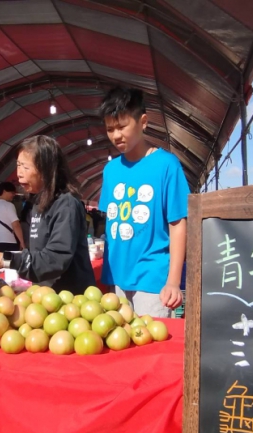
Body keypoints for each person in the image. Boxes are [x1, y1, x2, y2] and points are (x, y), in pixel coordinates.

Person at [97, 87, 188, 318]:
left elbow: (178, 224)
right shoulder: (110, 170)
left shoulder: (167, 165)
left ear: (143, 122)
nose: (116, 135)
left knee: (151, 346)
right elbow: (110, 223)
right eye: (110, 129)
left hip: (153, 280)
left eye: (122, 126)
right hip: (116, 279)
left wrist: (173, 281)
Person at [0, 135, 95, 294]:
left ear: (46, 169)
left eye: (25, 167)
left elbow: (54, 260)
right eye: (18, 165)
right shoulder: (37, 203)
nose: (19, 173)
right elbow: (37, 254)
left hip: (70, 298)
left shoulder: (66, 205)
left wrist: (3, 259)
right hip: (44, 297)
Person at [0, 181, 25, 252]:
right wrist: (22, 242)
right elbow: (16, 225)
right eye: (12, 193)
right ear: (4, 191)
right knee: (10, 263)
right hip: (8, 241)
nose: (13, 195)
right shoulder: (9, 205)